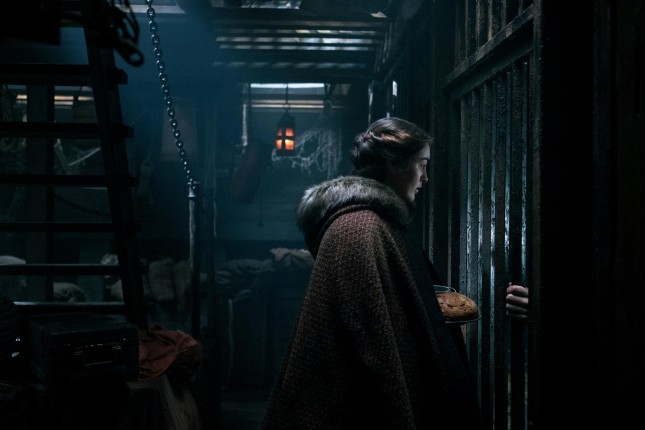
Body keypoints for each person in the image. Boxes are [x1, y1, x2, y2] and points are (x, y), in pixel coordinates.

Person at [262, 117, 529, 429]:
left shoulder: (376, 222)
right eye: (421, 165)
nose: (425, 177)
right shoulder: (359, 228)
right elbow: (370, 339)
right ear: (394, 165)